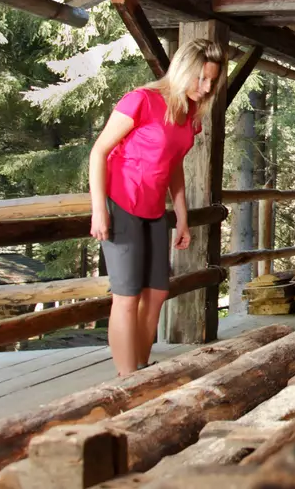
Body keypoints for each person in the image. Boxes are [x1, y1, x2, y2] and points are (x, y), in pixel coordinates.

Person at [89, 39, 225, 377]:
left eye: (212, 81)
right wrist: (99, 210)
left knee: (157, 292)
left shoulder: (191, 115)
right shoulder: (141, 100)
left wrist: (181, 216)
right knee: (127, 295)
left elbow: (173, 164)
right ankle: (126, 380)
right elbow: (99, 152)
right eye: (201, 79)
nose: (206, 88)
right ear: (183, 71)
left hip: (153, 210)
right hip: (121, 203)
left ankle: (140, 367)